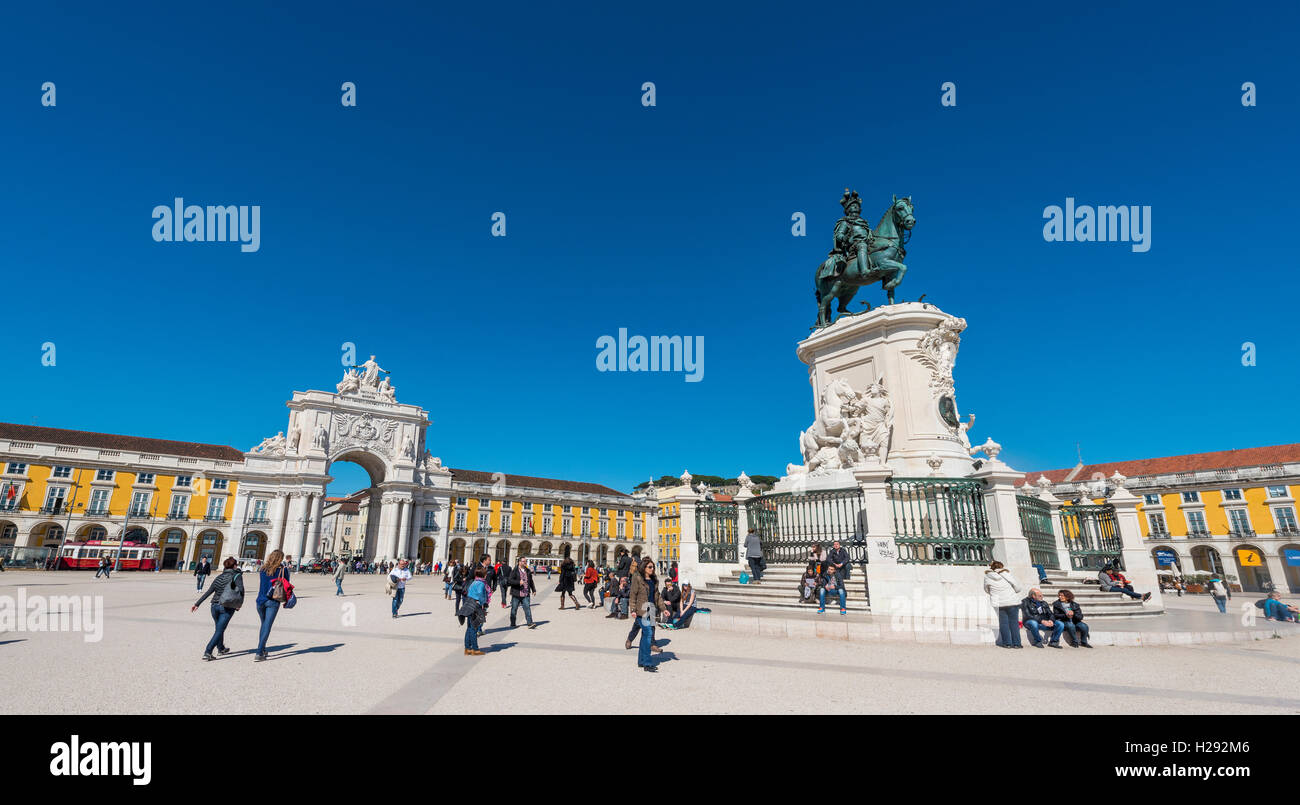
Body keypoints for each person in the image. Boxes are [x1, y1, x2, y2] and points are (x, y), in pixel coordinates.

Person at [191, 557, 243, 660]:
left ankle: (221, 648)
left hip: (214, 606)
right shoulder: (237, 576)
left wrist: (197, 604)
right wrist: (238, 605)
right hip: (226, 606)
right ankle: (208, 652)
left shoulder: (219, 576)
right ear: (234, 566)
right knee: (220, 630)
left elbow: (209, 591)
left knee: (219, 628)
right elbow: (241, 591)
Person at [628, 558, 666, 666]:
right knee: (648, 634)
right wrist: (633, 609)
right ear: (644, 568)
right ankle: (647, 662)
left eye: (653, 567)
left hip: (652, 610)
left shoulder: (654, 580)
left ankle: (641, 661)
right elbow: (633, 595)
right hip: (642, 610)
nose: (652, 569)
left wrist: (663, 609)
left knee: (645, 635)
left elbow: (657, 596)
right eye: (650, 567)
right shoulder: (638, 578)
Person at [254, 549, 290, 662]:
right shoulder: (283, 570)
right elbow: (286, 585)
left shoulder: (262, 569)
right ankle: (259, 653)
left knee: (264, 625)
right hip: (273, 601)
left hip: (260, 600)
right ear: (280, 559)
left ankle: (263, 649)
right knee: (267, 626)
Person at [983, 560, 1024, 648]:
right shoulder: (1006, 574)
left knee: (1003, 623)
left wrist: (993, 593)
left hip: (998, 602)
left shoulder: (987, 576)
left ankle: (1007, 643)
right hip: (1012, 601)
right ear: (1001, 566)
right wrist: (1014, 591)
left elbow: (986, 589)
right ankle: (1017, 644)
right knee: (1014, 623)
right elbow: (1018, 587)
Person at [460, 568, 489, 655]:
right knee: (474, 628)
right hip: (475, 606)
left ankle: (467, 648)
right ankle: (475, 649)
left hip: (469, 604)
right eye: (485, 574)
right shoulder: (481, 583)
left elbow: (469, 592)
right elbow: (480, 594)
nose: (486, 575)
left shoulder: (474, 582)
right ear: (483, 575)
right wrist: (484, 603)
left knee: (469, 627)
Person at [507, 557, 538, 629]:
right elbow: (510, 581)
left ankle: (530, 623)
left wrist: (533, 589)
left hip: (526, 593)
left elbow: (531, 581)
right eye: (524, 561)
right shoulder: (514, 571)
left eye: (525, 561)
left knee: (527, 608)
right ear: (519, 562)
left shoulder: (527, 570)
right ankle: (513, 623)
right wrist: (518, 582)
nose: (525, 563)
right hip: (516, 593)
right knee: (514, 609)